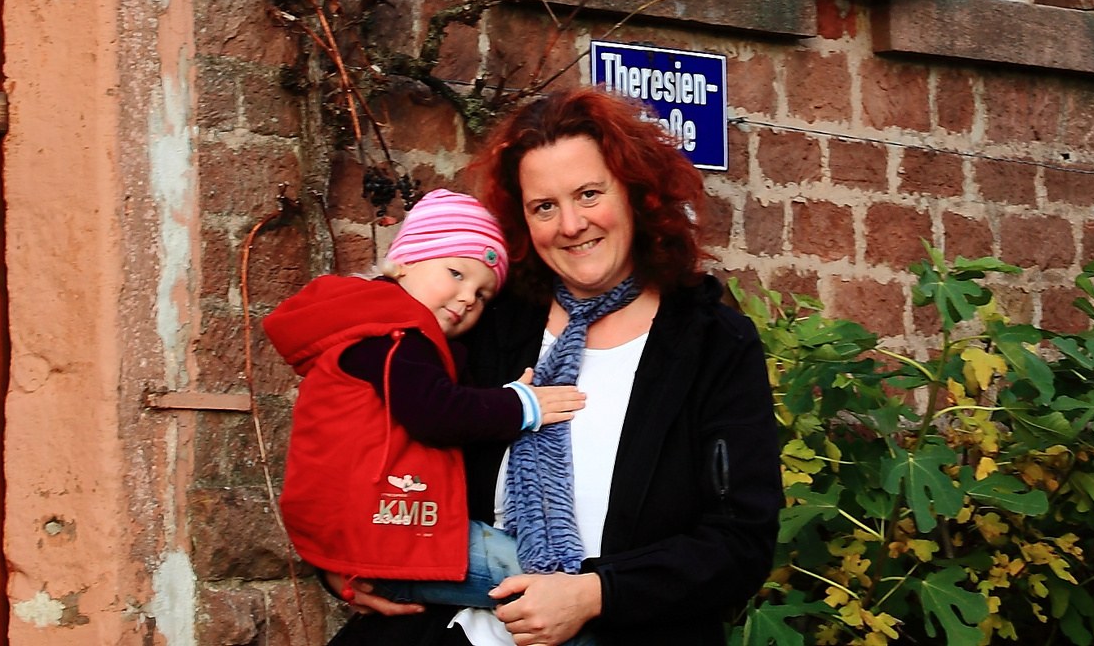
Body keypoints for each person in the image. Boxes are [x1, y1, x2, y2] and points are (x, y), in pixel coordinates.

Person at [333, 87, 782, 646]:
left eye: (589, 194)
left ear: (636, 195)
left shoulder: (712, 343)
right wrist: (342, 558)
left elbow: (740, 542)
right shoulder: (488, 325)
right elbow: (369, 445)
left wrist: (596, 593)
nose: (570, 225)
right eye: (544, 206)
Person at [264, 189, 591, 625]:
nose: (466, 298)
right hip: (386, 539)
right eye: (456, 273)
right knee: (552, 586)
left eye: (482, 295)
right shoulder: (394, 335)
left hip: (362, 542)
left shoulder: (383, 329)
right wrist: (519, 405)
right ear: (403, 262)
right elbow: (436, 412)